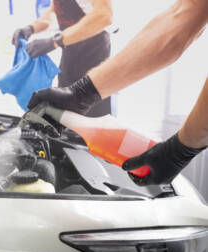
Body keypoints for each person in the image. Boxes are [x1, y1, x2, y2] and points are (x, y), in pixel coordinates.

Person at [28, 0, 208, 185]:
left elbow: (104, 16)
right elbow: (183, 15)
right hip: (80, 63)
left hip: (92, 55)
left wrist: (182, 148)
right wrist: (83, 92)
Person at [12, 0, 114, 117]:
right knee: (65, 115)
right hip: (70, 54)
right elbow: (54, 12)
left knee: (92, 119)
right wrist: (31, 28)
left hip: (94, 56)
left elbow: (104, 16)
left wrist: (55, 41)